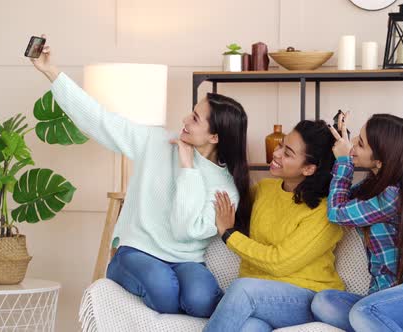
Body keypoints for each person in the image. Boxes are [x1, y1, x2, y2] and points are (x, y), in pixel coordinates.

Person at [31, 36, 251, 318]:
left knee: (201, 302)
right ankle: (121, 270)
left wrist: (188, 168)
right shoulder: (156, 141)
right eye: (191, 113)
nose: (184, 119)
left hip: (187, 262)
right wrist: (51, 71)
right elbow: (98, 119)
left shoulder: (226, 190)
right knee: (165, 294)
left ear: (215, 136)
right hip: (136, 251)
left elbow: (185, 230)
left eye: (195, 118)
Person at [311, 113, 403, 332]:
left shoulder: (392, 195)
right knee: (323, 301)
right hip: (387, 299)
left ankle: (375, 323)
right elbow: (339, 199)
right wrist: (339, 155)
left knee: (362, 312)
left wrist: (343, 162)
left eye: (360, 144)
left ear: (380, 159)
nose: (353, 147)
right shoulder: (374, 187)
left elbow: (337, 212)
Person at [204, 120, 345, 332]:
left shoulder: (325, 213)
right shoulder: (265, 189)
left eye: (287, 153)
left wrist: (229, 234)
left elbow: (279, 262)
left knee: (243, 289)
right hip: (261, 299)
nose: (277, 153)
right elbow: (220, 197)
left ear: (308, 168)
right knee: (249, 328)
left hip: (306, 297)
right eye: (281, 145)